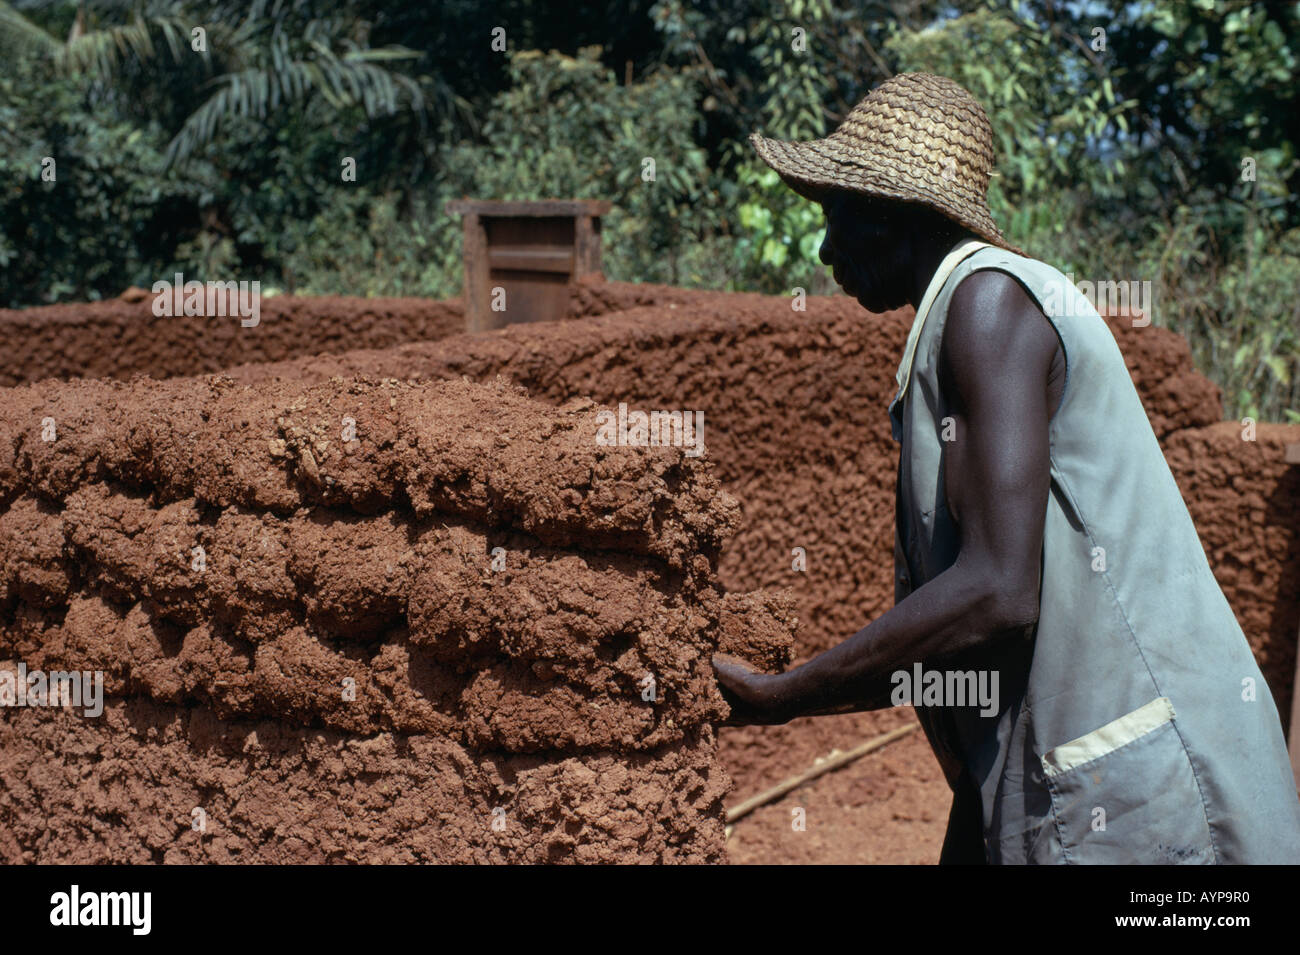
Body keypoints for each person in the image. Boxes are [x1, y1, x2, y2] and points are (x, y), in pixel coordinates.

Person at [714, 71, 1300, 864]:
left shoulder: (989, 305)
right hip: (1087, 778)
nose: (825, 248)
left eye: (839, 214)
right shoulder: (966, 312)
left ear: (900, 212)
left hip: (1144, 790)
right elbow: (985, 637)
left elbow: (996, 592)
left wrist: (787, 695)